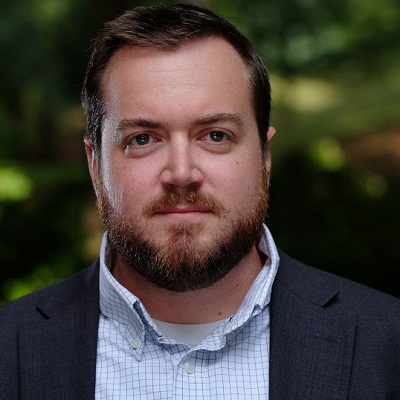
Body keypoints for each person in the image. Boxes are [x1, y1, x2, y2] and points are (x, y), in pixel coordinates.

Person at [1, 3, 399, 399]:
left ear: (264, 156)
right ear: (94, 163)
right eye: (143, 139)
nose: (181, 173)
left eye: (215, 136)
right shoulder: (9, 349)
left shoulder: (387, 343)